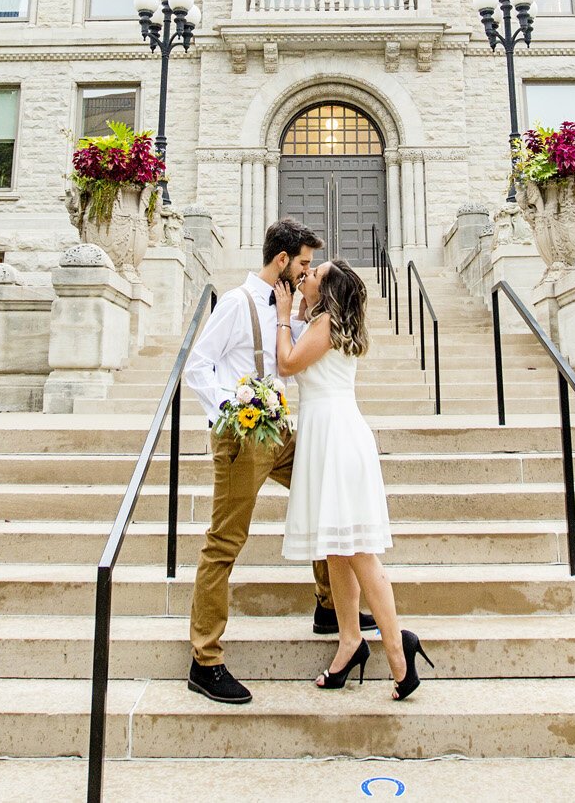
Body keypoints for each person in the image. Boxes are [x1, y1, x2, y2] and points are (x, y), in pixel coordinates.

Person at [182, 218, 375, 706]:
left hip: (283, 433)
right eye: (305, 264)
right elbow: (197, 366)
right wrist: (232, 409)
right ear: (283, 260)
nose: (309, 272)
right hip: (243, 439)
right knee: (224, 541)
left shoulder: (296, 309)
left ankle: (331, 607)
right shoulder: (235, 303)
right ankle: (204, 661)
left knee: (323, 496)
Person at [275, 258, 434, 701]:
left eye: (313, 275)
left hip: (338, 439)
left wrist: (283, 318)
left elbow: (287, 365)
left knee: (360, 552)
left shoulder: (323, 324)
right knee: (335, 549)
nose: (304, 277)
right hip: (325, 434)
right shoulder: (323, 321)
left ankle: (399, 654)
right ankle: (349, 641)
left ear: (326, 292)